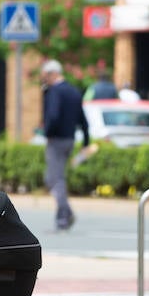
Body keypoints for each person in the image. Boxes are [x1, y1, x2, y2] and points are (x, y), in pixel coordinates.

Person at [41, 59, 89, 231]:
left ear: (52, 74)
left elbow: (53, 115)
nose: (44, 79)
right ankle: (64, 213)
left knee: (54, 179)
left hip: (56, 139)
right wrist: (86, 141)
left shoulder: (54, 92)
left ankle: (64, 214)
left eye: (45, 76)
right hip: (69, 139)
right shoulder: (74, 91)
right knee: (57, 177)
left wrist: (47, 133)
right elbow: (83, 119)